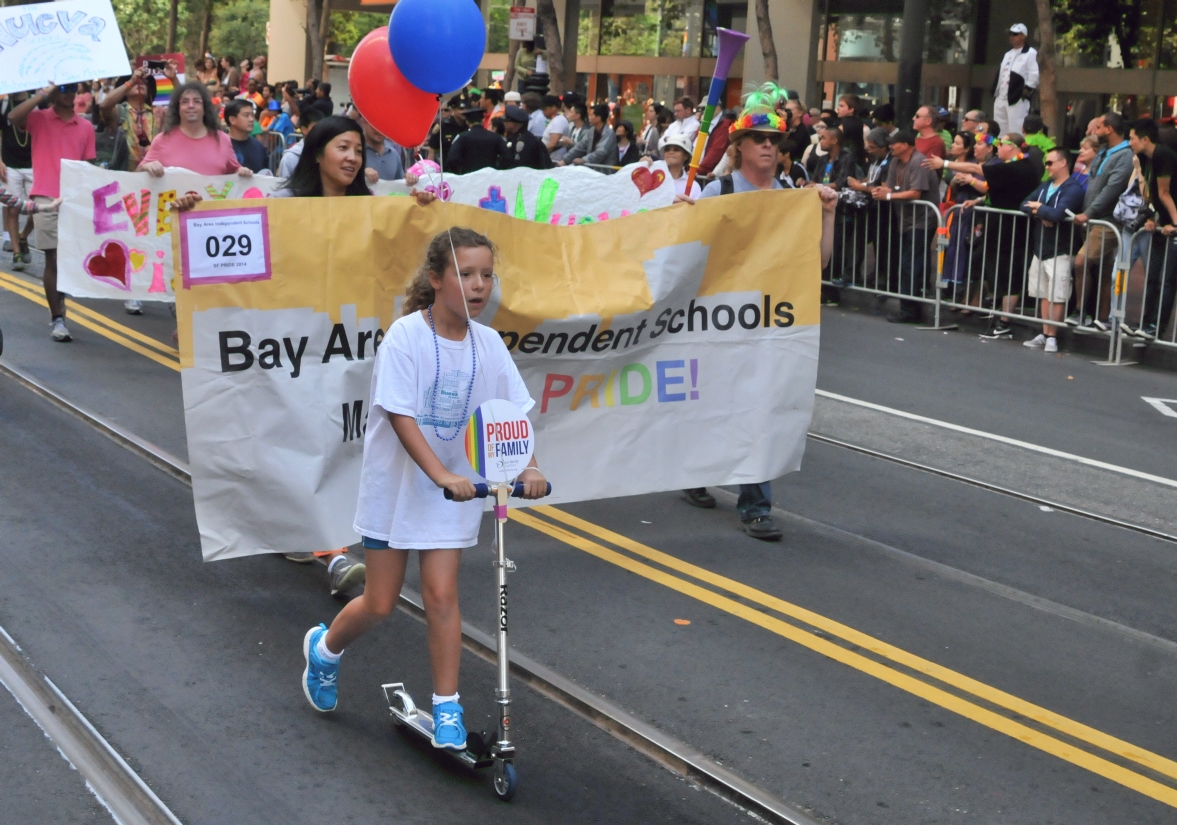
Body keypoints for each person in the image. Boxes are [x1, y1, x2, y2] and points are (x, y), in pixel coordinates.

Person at [300, 227, 546, 749]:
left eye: (486, 275)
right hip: (399, 490)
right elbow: (401, 417)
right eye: (465, 274)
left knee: (441, 595)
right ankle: (324, 652)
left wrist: (530, 466)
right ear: (436, 280)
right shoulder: (406, 337)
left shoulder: (489, 345)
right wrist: (440, 475)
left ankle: (447, 705)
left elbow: (512, 415)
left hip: (452, 495)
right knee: (380, 602)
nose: (478, 285)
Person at [683, 106, 822, 541]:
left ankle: (756, 504)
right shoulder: (717, 191)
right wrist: (678, 221)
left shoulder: (790, 198)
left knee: (757, 406)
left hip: (768, 322)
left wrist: (829, 215)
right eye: (759, 138)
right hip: (717, 319)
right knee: (714, 401)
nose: (767, 145)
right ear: (740, 144)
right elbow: (687, 252)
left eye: (773, 140)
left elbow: (816, 262)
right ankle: (694, 471)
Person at [8, 82, 95, 342]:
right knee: (53, 256)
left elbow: (88, 166)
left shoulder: (86, 127)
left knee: (68, 259)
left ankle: (60, 297)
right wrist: (43, 93)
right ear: (55, 92)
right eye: (64, 89)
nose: (69, 94)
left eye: (73, 89)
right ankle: (57, 317)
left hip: (74, 198)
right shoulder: (39, 118)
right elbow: (13, 117)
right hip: (46, 196)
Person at [1020, 147, 1085, 352]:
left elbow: (1058, 214)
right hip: (1041, 247)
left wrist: (1040, 209)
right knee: (1043, 292)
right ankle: (1045, 331)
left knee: (1057, 293)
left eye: (1050, 163)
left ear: (1063, 163)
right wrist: (1041, 213)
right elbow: (1023, 204)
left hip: (1061, 248)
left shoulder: (1072, 188)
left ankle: (1052, 335)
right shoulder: (1046, 185)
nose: (1046, 166)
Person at [871, 129, 940, 323]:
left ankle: (910, 310)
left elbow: (915, 193)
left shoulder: (918, 161)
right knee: (906, 263)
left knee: (912, 264)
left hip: (922, 219)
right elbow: (890, 187)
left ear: (907, 145)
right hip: (905, 219)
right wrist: (879, 190)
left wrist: (889, 196)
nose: (891, 146)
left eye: (894, 143)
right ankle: (908, 306)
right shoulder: (895, 161)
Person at [1073, 112, 1133, 330]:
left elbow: (1112, 189)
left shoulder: (1124, 156)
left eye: (1098, 127)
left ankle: (1081, 310)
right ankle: (1102, 316)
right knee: (1105, 268)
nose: (1093, 131)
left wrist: (1089, 212)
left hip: (1107, 219)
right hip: (1093, 216)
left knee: (1082, 261)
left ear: (1109, 129)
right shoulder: (1104, 152)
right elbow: (1094, 182)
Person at [1127, 118, 1177, 341]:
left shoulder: (1163, 156)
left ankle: (1156, 325)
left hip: (1173, 218)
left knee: (1167, 279)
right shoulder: (1143, 159)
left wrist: (1175, 224)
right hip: (1161, 219)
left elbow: (1164, 193)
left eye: (1132, 138)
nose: (1130, 143)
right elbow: (1149, 194)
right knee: (1153, 275)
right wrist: (1154, 218)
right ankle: (1146, 321)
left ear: (1145, 139)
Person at [139, 82, 250, 178]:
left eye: (197, 101)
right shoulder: (162, 140)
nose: (191, 105)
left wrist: (242, 171)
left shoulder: (222, 139)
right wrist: (146, 167)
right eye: (185, 101)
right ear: (177, 108)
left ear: (205, 108)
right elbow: (136, 175)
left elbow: (235, 171)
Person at [101, 65, 168, 171]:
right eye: (135, 82)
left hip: (153, 176)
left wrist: (173, 79)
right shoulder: (118, 111)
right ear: (125, 90)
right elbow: (104, 106)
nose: (139, 83)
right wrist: (130, 82)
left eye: (143, 82)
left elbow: (183, 108)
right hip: (123, 177)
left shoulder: (159, 113)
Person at [1, 92, 34, 273]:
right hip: (10, 165)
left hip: (35, 164)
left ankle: (23, 236)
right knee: (12, 208)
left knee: (38, 210)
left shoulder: (36, 101)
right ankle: (16, 253)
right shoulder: (4, 104)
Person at [994, 24, 1039, 135]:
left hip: (1016, 97)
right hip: (1001, 96)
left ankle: (1016, 150)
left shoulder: (1030, 53)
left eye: (1015, 34)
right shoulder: (1008, 53)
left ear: (1023, 36)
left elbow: (1034, 73)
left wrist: (1026, 90)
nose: (1011, 36)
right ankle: (1000, 150)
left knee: (1016, 128)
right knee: (999, 128)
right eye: (1010, 34)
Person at [446, 106, 510, 174]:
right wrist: (496, 170)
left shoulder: (463, 137)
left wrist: (461, 172)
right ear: (483, 120)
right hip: (490, 178)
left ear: (467, 122)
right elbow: (507, 157)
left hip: (469, 177)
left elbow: (452, 159)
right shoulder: (495, 137)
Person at [353, 112, 407, 183]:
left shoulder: (393, 154)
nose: (379, 130)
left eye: (384, 125)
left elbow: (400, 184)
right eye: (374, 125)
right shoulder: (355, 152)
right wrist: (361, 173)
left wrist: (409, 178)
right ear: (363, 121)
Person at [563, 103, 616, 167]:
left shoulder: (609, 133)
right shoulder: (591, 131)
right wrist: (565, 160)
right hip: (592, 169)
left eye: (591, 115)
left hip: (605, 171)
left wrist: (584, 160)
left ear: (599, 118)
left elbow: (601, 152)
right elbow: (580, 147)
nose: (588, 117)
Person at [224, 99, 269, 173]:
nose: (251, 119)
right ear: (232, 120)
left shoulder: (258, 145)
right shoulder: (221, 146)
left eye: (252, 115)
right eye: (246, 115)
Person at [653, 133, 700, 199]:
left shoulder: (694, 186)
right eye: (667, 149)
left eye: (676, 149)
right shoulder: (654, 178)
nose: (670, 152)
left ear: (686, 156)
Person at [697, 109, 734, 177]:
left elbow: (717, 151)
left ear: (717, 107)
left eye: (705, 107)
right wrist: (715, 173)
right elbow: (726, 158)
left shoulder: (725, 125)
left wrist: (699, 170)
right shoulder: (704, 124)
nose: (703, 111)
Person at [835, 93, 867, 167]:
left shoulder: (846, 124)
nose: (838, 108)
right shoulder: (857, 122)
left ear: (851, 109)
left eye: (841, 106)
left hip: (846, 163)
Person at [1022, 114, 1055, 180]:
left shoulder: (1021, 146)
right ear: (1041, 130)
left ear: (1022, 129)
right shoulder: (1049, 145)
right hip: (1046, 184)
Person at [542, 94, 572, 163]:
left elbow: (553, 143)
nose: (543, 112)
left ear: (553, 107)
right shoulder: (555, 119)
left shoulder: (559, 120)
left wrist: (539, 153)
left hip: (554, 159)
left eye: (544, 109)